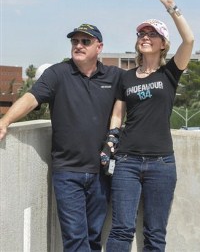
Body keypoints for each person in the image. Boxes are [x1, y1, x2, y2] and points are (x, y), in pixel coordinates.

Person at [0, 23, 124, 252]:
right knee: (75, 239)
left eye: (85, 41)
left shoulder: (114, 76)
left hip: (101, 173)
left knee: (94, 238)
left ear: (99, 47)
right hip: (67, 172)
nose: (78, 45)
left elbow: (141, 90)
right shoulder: (58, 73)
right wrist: (5, 121)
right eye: (74, 41)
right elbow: (31, 98)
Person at [101, 0, 194, 251]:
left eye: (152, 34)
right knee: (121, 230)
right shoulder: (126, 78)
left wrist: (171, 6)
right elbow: (118, 114)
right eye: (142, 33)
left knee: (154, 234)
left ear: (163, 43)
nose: (145, 37)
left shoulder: (170, 72)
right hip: (127, 161)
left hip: (161, 164)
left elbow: (189, 39)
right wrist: (111, 140)